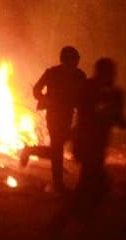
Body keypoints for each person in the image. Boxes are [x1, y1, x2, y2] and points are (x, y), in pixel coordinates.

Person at [53, 58, 126, 228]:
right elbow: (85, 114)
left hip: (96, 146)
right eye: (110, 73)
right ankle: (69, 218)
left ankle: (74, 218)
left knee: (90, 184)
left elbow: (116, 119)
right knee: (97, 184)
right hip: (86, 145)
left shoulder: (112, 93)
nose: (112, 76)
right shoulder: (91, 89)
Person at [20, 46, 86, 194]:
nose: (76, 62)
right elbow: (37, 89)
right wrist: (45, 100)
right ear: (65, 60)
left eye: (77, 60)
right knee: (57, 147)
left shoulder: (79, 75)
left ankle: (31, 150)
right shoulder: (52, 73)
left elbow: (84, 95)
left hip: (68, 114)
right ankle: (58, 184)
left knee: (58, 146)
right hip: (54, 114)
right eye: (74, 59)